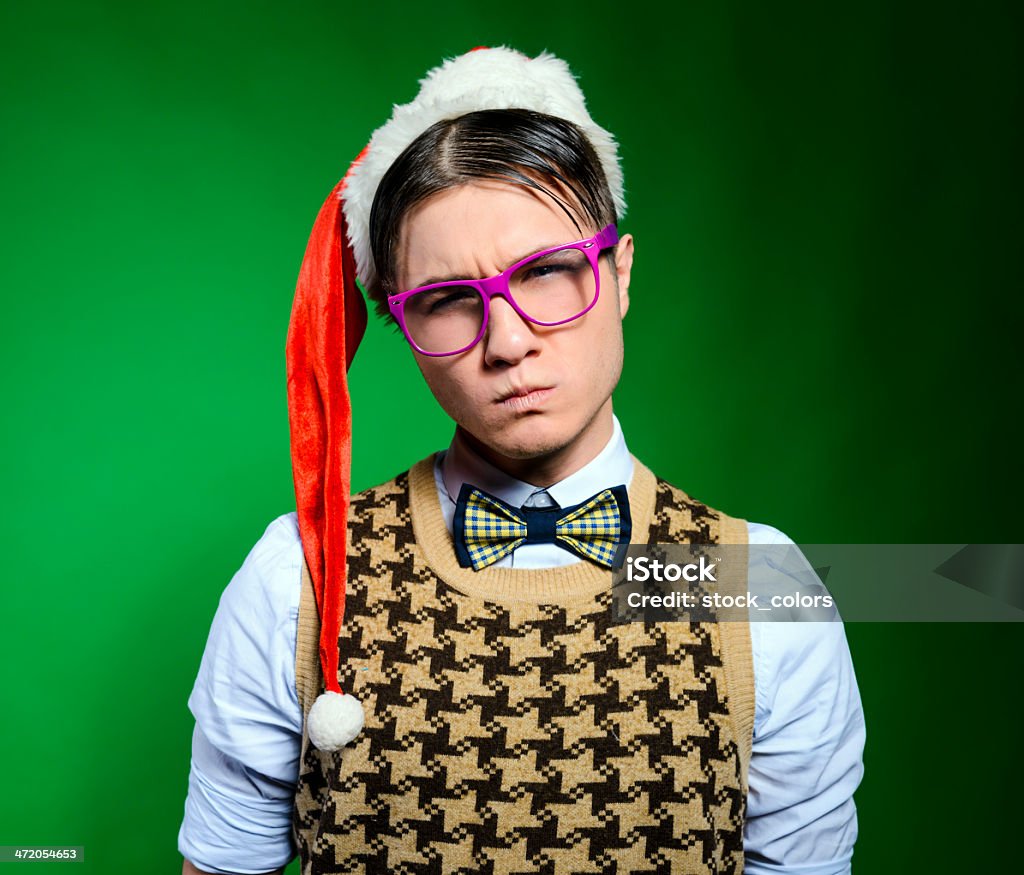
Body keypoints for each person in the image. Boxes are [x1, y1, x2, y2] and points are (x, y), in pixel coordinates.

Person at [179, 47, 865, 874]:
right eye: (444, 301)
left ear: (619, 273)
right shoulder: (301, 576)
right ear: (401, 328)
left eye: (544, 274)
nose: (507, 343)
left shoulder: (762, 584)